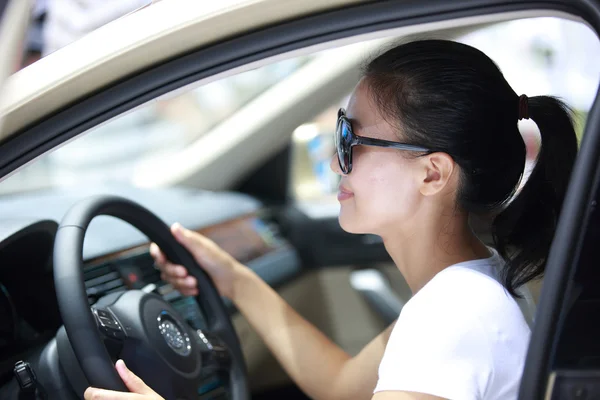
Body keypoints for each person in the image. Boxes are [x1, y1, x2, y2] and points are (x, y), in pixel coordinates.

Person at [83, 39, 578, 400]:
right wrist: (233, 279)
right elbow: (340, 387)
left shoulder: (453, 316)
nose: (336, 160)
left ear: (432, 174)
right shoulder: (472, 284)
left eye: (351, 141)